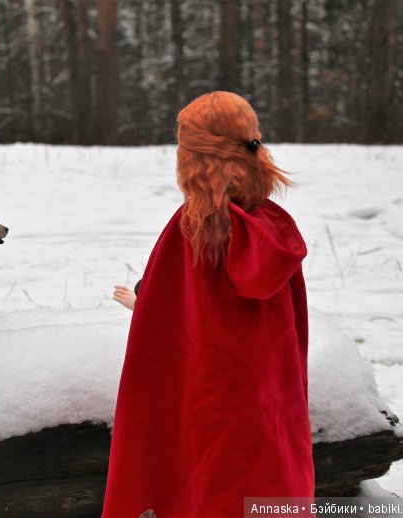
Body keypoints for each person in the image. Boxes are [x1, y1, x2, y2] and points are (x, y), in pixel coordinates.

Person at [102, 91, 314, 518]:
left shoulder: (191, 229)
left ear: (192, 159)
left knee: (200, 483)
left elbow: (172, 325)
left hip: (203, 399)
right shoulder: (272, 228)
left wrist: (147, 305)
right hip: (264, 399)